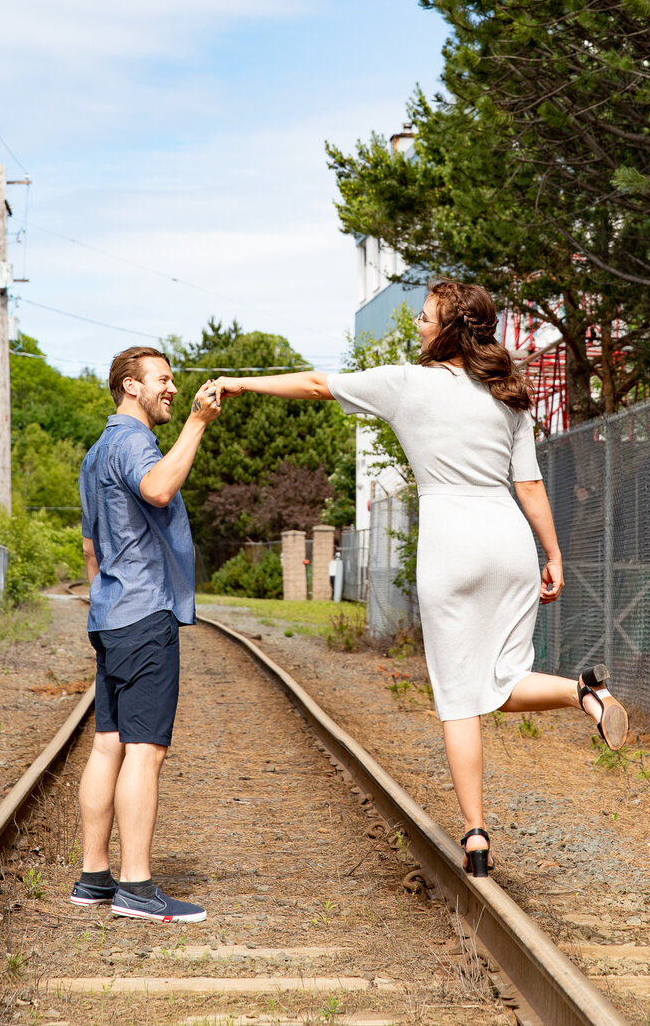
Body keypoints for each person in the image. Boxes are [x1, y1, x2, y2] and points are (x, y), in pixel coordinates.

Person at [211, 281, 627, 878]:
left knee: (461, 699)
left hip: (450, 545)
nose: (418, 328)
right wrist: (553, 554)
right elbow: (529, 486)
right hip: (508, 541)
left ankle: (477, 833)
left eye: (426, 318)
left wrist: (238, 382)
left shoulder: (406, 383)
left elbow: (315, 385)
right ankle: (585, 693)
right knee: (503, 681)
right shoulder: (508, 396)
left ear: (450, 328)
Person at [72, 345, 220, 921]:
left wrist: (104, 605)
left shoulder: (95, 452)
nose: (173, 388)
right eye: (162, 379)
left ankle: (94, 876)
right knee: (146, 751)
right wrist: (197, 425)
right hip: (142, 614)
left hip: (111, 614)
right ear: (130, 387)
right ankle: (134, 886)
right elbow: (158, 489)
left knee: (108, 744)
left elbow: (90, 547)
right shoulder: (135, 442)